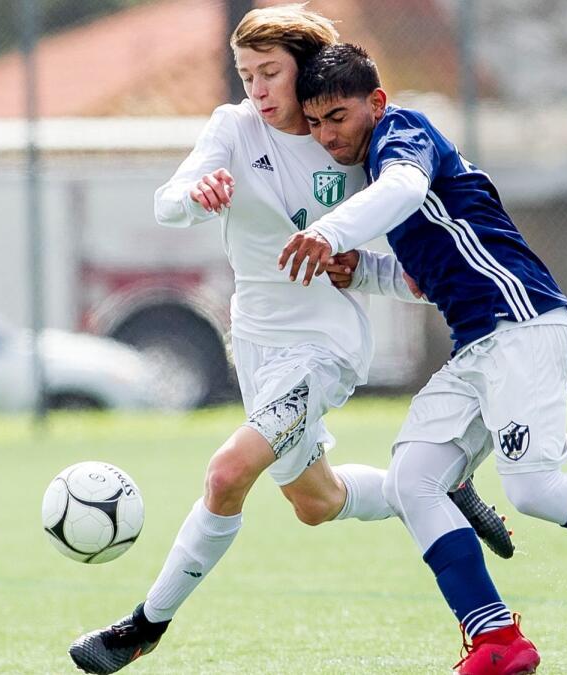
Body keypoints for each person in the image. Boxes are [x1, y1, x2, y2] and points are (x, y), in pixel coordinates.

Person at [280, 43, 567, 675]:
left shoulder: (404, 136)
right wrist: (360, 270)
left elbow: (403, 188)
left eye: (336, 116)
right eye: (313, 124)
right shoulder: (378, 173)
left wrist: (331, 232)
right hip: (478, 344)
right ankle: (495, 639)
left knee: (534, 489)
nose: (326, 135)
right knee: (412, 480)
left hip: (524, 323)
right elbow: (426, 278)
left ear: (376, 102)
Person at [67, 9, 510, 675]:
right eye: (247, 75)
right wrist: (197, 191)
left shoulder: (352, 145)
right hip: (255, 341)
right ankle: (437, 487)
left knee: (225, 473)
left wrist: (378, 269)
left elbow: (417, 267)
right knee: (316, 501)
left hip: (324, 346)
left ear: (306, 69)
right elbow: (169, 201)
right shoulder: (232, 127)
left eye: (270, 72)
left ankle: (144, 624)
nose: (258, 89)